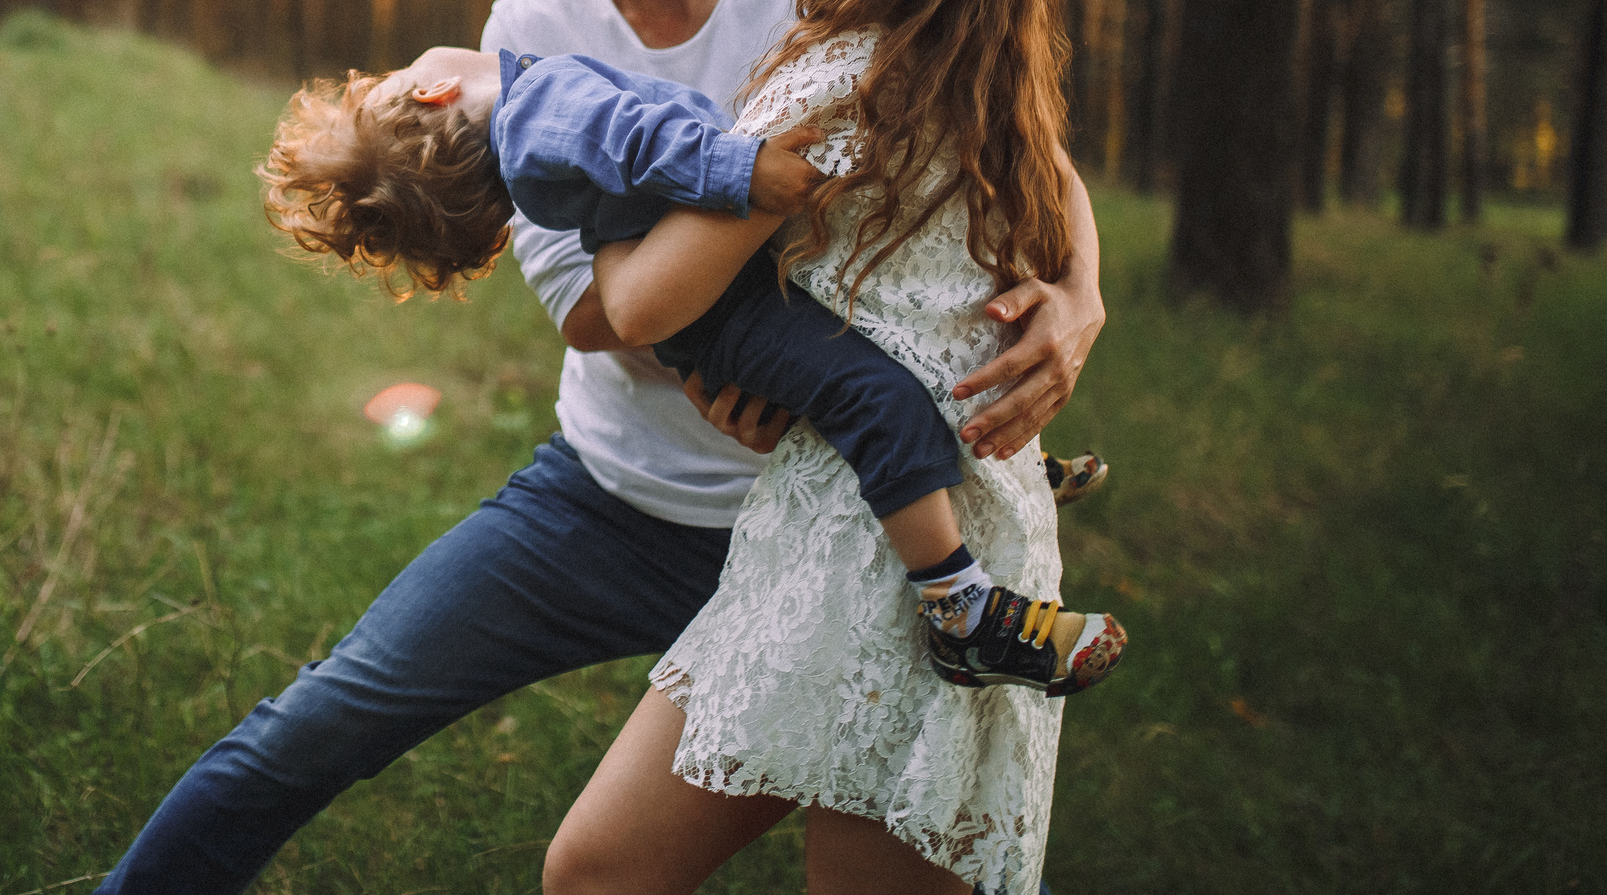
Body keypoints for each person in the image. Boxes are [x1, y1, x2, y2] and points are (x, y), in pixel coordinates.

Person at [71, 0, 1105, 895]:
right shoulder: (528, 35)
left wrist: (1078, 295)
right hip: (613, 502)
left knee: (962, 849)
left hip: (835, 522)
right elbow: (595, 310)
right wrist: (743, 354)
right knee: (328, 716)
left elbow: (1016, 138)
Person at [543, 0, 1094, 895]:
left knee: (598, 880)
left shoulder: (836, 82)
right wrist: (1083, 287)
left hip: (878, 560)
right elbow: (1053, 185)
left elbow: (639, 307)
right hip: (876, 530)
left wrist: (592, 195)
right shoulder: (978, 72)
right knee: (599, 875)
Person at [258, 43, 1126, 697]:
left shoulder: (525, 130)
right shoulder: (535, 112)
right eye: (395, 74)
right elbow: (636, 139)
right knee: (873, 393)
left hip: (719, 303)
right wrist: (746, 171)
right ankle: (962, 611)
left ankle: (986, 473)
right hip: (726, 311)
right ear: (431, 90)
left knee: (881, 358)